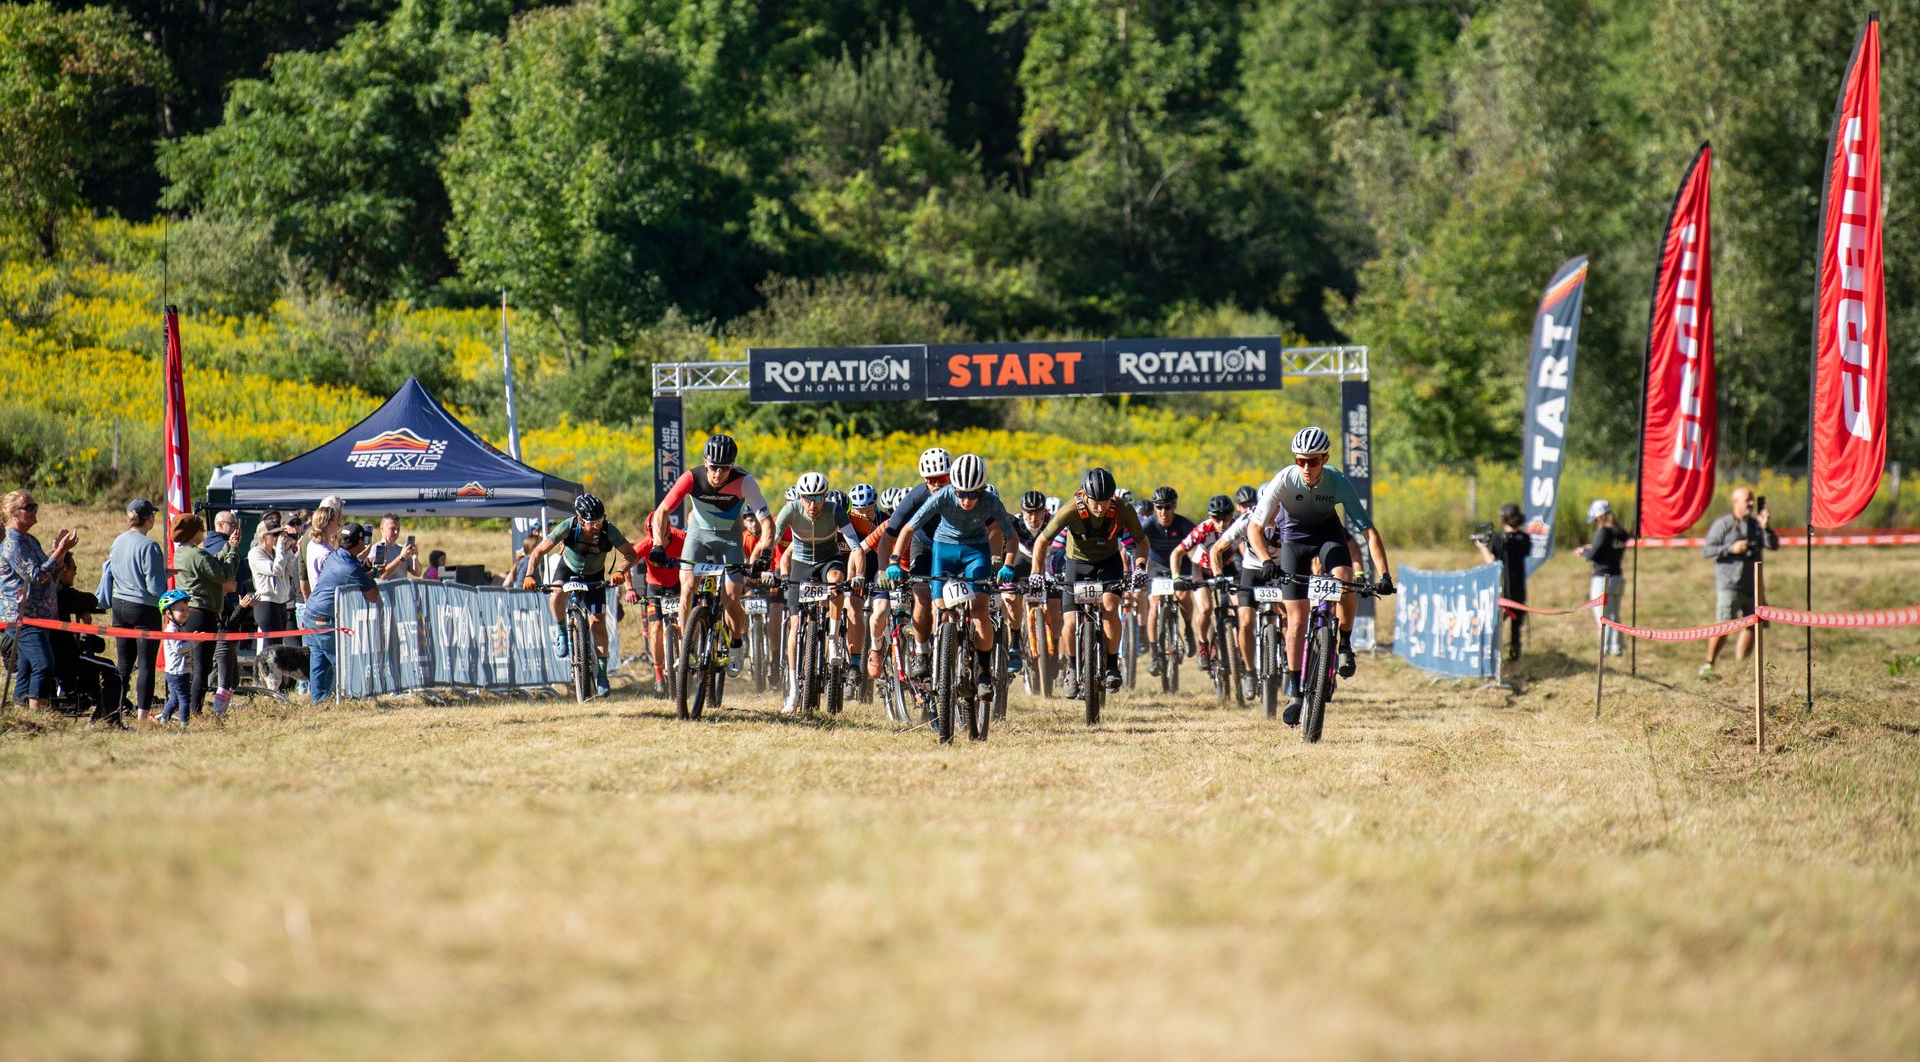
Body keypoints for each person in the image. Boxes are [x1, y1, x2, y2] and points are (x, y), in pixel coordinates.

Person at [1247, 426, 1394, 726]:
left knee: (1344, 579)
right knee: (1296, 621)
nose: (1306, 467)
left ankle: (1345, 643)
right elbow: (1255, 527)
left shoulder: (1338, 481)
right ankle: (1294, 692)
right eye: (1300, 460)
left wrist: (1385, 575)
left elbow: (1368, 531)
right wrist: (1265, 560)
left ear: (1325, 458)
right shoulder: (1284, 479)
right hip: (1294, 541)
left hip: (1328, 537)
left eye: (1312, 461)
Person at [892, 454, 1018, 707]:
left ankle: (983, 672)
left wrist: (1008, 565)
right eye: (961, 493)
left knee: (980, 611)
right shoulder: (942, 496)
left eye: (973, 494)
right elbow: (909, 529)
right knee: (939, 607)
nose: (966, 500)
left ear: (982, 489)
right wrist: (894, 560)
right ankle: (938, 655)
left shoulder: (991, 501)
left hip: (976, 552)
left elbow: (1011, 536)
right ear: (954, 488)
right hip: (944, 551)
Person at [649, 433, 772, 676]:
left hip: (729, 538)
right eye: (714, 467)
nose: (718, 473)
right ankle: (686, 648)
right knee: (687, 588)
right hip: (698, 535)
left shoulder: (745, 481)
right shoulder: (691, 478)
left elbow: (767, 523)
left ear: (732, 465)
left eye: (724, 468)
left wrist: (765, 553)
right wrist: (657, 544)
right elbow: (661, 512)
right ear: (705, 462)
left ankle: (736, 643)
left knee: (731, 596)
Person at [756, 472, 867, 713]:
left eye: (818, 498)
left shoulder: (835, 510)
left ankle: (833, 639)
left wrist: (859, 574)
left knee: (836, 580)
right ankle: (794, 690)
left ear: (825, 496)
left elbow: (856, 547)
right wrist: (766, 567)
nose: (813, 504)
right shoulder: (790, 510)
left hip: (828, 560)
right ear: (800, 497)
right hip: (801, 563)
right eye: (808, 498)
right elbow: (772, 541)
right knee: (795, 625)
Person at [1031, 467, 1148, 694]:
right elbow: (1042, 541)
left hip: (1108, 563)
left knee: (1110, 607)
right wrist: (1036, 572)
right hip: (1077, 564)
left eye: (1105, 501)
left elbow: (1142, 541)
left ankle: (1112, 665)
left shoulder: (1123, 509)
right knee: (1070, 621)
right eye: (1095, 501)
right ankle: (1073, 667)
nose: (1100, 507)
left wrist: (1141, 567)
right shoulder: (1071, 509)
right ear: (1085, 496)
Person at [522, 493, 639, 697]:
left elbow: (631, 553)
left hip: (595, 574)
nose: (597, 526)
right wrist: (530, 575)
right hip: (568, 568)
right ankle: (562, 632)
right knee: (556, 594)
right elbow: (538, 551)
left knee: (598, 624)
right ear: (580, 519)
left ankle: (602, 675)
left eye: (600, 520)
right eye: (592, 523)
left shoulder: (608, 530)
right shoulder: (568, 526)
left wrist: (620, 571)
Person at [867, 447, 953, 678]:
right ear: (924, 480)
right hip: (924, 546)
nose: (936, 484)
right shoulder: (916, 498)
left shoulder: (962, 495)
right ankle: (921, 652)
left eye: (942, 478)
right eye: (931, 480)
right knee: (922, 594)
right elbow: (889, 536)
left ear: (951, 476)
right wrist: (885, 568)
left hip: (954, 547)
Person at [1, 491, 77, 714]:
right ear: (14, 513)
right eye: (29, 507)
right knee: (43, 664)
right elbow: (35, 577)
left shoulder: (30, 540)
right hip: (22, 618)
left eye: (35, 505)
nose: (35, 510)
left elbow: (52, 575)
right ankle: (37, 714)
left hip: (39, 617)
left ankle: (21, 714)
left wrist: (60, 553)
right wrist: (59, 551)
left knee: (26, 667)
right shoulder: (12, 544)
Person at [170, 512, 241, 721]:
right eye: (201, 528)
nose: (204, 532)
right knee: (203, 667)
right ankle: (194, 710)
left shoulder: (183, 552)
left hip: (190, 613)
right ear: (193, 532)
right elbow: (223, 575)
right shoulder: (197, 555)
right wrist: (233, 552)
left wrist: (228, 547)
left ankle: (189, 708)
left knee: (193, 666)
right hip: (203, 614)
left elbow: (212, 563)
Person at [1700, 486, 1777, 678]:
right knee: (1724, 625)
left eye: (1752, 500)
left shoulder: (1757, 525)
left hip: (1753, 585)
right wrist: (1731, 548)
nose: (1751, 503)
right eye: (1747, 500)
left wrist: (1766, 527)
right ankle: (1709, 664)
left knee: (1754, 625)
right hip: (1730, 584)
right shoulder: (1724, 524)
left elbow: (1773, 545)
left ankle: (1741, 667)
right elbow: (1707, 550)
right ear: (1735, 502)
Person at [304, 522, 380, 703]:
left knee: (319, 663)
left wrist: (364, 571)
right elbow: (373, 596)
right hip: (325, 620)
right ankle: (355, 698)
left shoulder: (336, 555)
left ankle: (319, 703)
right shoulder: (351, 568)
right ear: (360, 542)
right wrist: (372, 576)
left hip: (311, 615)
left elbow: (351, 572)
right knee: (342, 662)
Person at [107, 497, 167, 719]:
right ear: (149, 518)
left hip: (119, 605)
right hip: (143, 609)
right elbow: (155, 587)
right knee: (145, 665)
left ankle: (117, 708)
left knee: (124, 664)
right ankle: (142, 715)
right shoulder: (149, 546)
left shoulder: (118, 540)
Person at [1171, 493, 1235, 671]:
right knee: (1206, 609)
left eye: (1226, 518)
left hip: (1228, 567)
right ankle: (1203, 645)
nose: (1221, 524)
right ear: (1209, 516)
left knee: (1240, 607)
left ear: (1232, 515)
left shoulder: (1238, 526)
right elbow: (1177, 553)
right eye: (1216, 519)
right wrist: (1176, 576)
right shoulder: (1202, 530)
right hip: (1202, 568)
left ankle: (1234, 647)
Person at [1140, 485, 1198, 675]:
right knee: (1154, 604)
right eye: (1159, 507)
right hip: (1157, 566)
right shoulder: (1148, 525)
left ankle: (1188, 629)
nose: (1163, 512)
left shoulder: (1184, 525)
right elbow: (1133, 544)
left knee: (1183, 595)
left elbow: (1199, 547)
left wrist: (1198, 571)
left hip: (1181, 564)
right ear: (1154, 507)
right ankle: (1155, 655)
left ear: (1174, 506)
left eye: (1168, 507)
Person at [629, 522, 686, 695]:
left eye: (662, 538)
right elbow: (626, 563)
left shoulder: (682, 538)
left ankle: (689, 658)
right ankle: (659, 678)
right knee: (655, 628)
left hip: (679, 585)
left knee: (686, 624)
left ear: (669, 533)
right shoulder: (646, 544)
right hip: (655, 588)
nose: (657, 542)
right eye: (653, 538)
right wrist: (629, 589)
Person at [248, 511, 302, 677]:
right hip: (266, 603)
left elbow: (291, 571)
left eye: (280, 534)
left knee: (277, 646)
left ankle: (276, 681)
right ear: (264, 536)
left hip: (281, 602)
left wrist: (288, 550)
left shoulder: (276, 553)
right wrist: (280, 549)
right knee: (271, 646)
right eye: (275, 535)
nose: (278, 538)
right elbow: (276, 570)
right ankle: (266, 681)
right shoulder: (255, 553)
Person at [1475, 503, 1530, 662]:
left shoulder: (1498, 538)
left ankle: (1492, 655)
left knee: (1496, 623)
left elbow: (1490, 561)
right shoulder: (1524, 538)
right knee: (1516, 624)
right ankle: (1514, 653)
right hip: (1519, 588)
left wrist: (1482, 547)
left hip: (1503, 588)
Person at [1576, 499, 1631, 657]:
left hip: (1602, 579)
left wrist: (1584, 551)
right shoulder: (1621, 533)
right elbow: (1607, 548)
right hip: (1617, 577)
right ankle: (1617, 649)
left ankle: (1604, 651)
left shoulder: (1603, 532)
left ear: (1599, 517)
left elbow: (1592, 556)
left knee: (1602, 617)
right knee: (1614, 616)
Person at [156, 589, 193, 726]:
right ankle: (184, 725)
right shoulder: (171, 630)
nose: (186, 612)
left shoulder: (180, 627)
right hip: (177, 672)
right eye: (181, 610)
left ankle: (163, 720)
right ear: (169, 613)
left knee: (175, 699)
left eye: (187, 609)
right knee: (184, 699)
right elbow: (179, 649)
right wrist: (195, 642)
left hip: (180, 669)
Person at [369, 514, 419, 579]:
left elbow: (417, 573)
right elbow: (381, 576)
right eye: (392, 528)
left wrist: (415, 559)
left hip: (403, 585)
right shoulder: (377, 549)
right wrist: (401, 558)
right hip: (385, 586)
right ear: (382, 529)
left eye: (398, 529)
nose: (396, 532)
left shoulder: (402, 549)